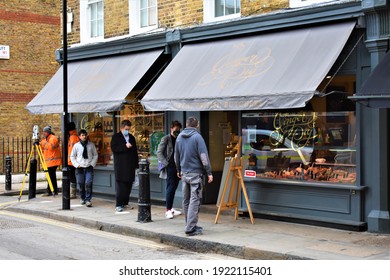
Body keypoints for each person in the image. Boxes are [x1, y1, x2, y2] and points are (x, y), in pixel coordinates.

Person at [174, 116, 213, 236]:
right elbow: (203, 157)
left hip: (185, 173)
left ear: (186, 124)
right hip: (196, 174)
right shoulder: (197, 137)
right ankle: (190, 228)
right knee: (194, 201)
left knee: (186, 200)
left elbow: (176, 156)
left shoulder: (179, 137)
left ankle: (189, 224)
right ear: (197, 125)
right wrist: (209, 172)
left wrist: (178, 170)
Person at [110, 119, 139, 212]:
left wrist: (137, 165)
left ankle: (125, 203)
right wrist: (125, 147)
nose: (127, 131)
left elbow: (135, 152)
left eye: (128, 129)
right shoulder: (116, 137)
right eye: (126, 129)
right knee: (121, 186)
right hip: (121, 166)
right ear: (121, 128)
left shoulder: (131, 137)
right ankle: (118, 204)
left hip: (130, 165)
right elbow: (114, 148)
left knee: (128, 185)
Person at [157, 120, 183, 219]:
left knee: (174, 187)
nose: (177, 131)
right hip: (170, 167)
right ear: (171, 129)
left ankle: (171, 209)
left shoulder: (179, 138)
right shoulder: (166, 139)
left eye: (179, 130)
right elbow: (159, 153)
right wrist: (166, 164)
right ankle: (168, 210)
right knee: (170, 188)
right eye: (176, 129)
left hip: (178, 167)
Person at [70, 129, 98, 207]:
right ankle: (82, 198)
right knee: (81, 183)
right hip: (80, 168)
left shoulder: (91, 145)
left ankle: (88, 199)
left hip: (89, 167)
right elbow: (72, 156)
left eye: (85, 135)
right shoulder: (76, 145)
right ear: (79, 137)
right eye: (82, 135)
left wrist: (92, 164)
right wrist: (76, 165)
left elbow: (95, 155)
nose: (84, 136)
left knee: (88, 183)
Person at [40, 126, 62, 196]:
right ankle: (53, 190)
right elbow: (43, 148)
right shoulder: (47, 139)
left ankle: (50, 191)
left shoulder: (53, 138)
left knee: (50, 176)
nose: (43, 133)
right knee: (51, 176)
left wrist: (43, 142)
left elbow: (51, 147)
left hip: (53, 161)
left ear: (48, 132)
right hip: (50, 161)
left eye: (45, 132)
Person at [67, 122, 79, 199]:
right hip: (73, 161)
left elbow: (72, 151)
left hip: (72, 161)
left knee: (72, 177)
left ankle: (73, 193)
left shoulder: (73, 137)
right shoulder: (74, 136)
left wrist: (71, 160)